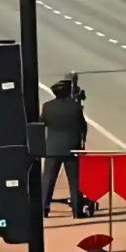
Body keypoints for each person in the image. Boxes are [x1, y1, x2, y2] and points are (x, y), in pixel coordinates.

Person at [40, 78, 87, 217]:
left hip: (52, 149)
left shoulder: (47, 106)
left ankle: (44, 208)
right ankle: (77, 210)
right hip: (72, 148)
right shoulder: (75, 106)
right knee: (75, 181)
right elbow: (82, 126)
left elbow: (43, 122)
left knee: (48, 180)